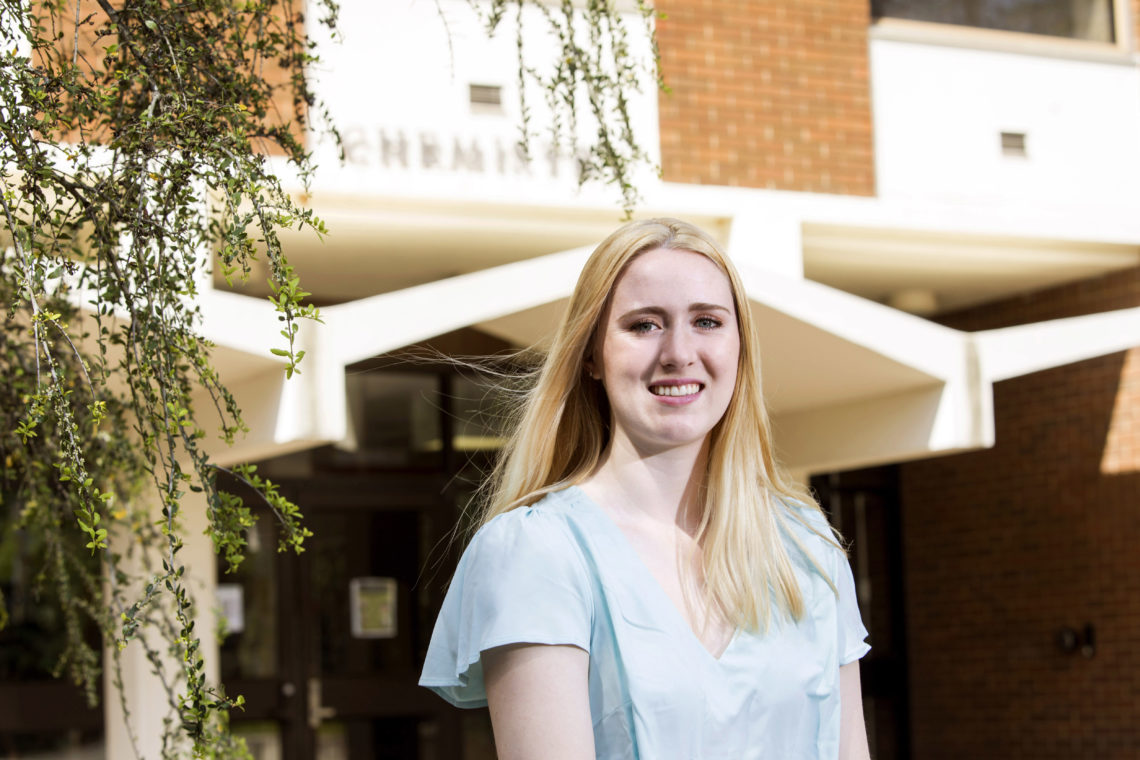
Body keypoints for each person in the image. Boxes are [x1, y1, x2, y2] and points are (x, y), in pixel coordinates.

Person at [419, 218, 872, 760]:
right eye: (644, 325)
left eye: (707, 321)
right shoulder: (539, 551)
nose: (679, 352)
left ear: (740, 349)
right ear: (591, 355)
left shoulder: (806, 546)